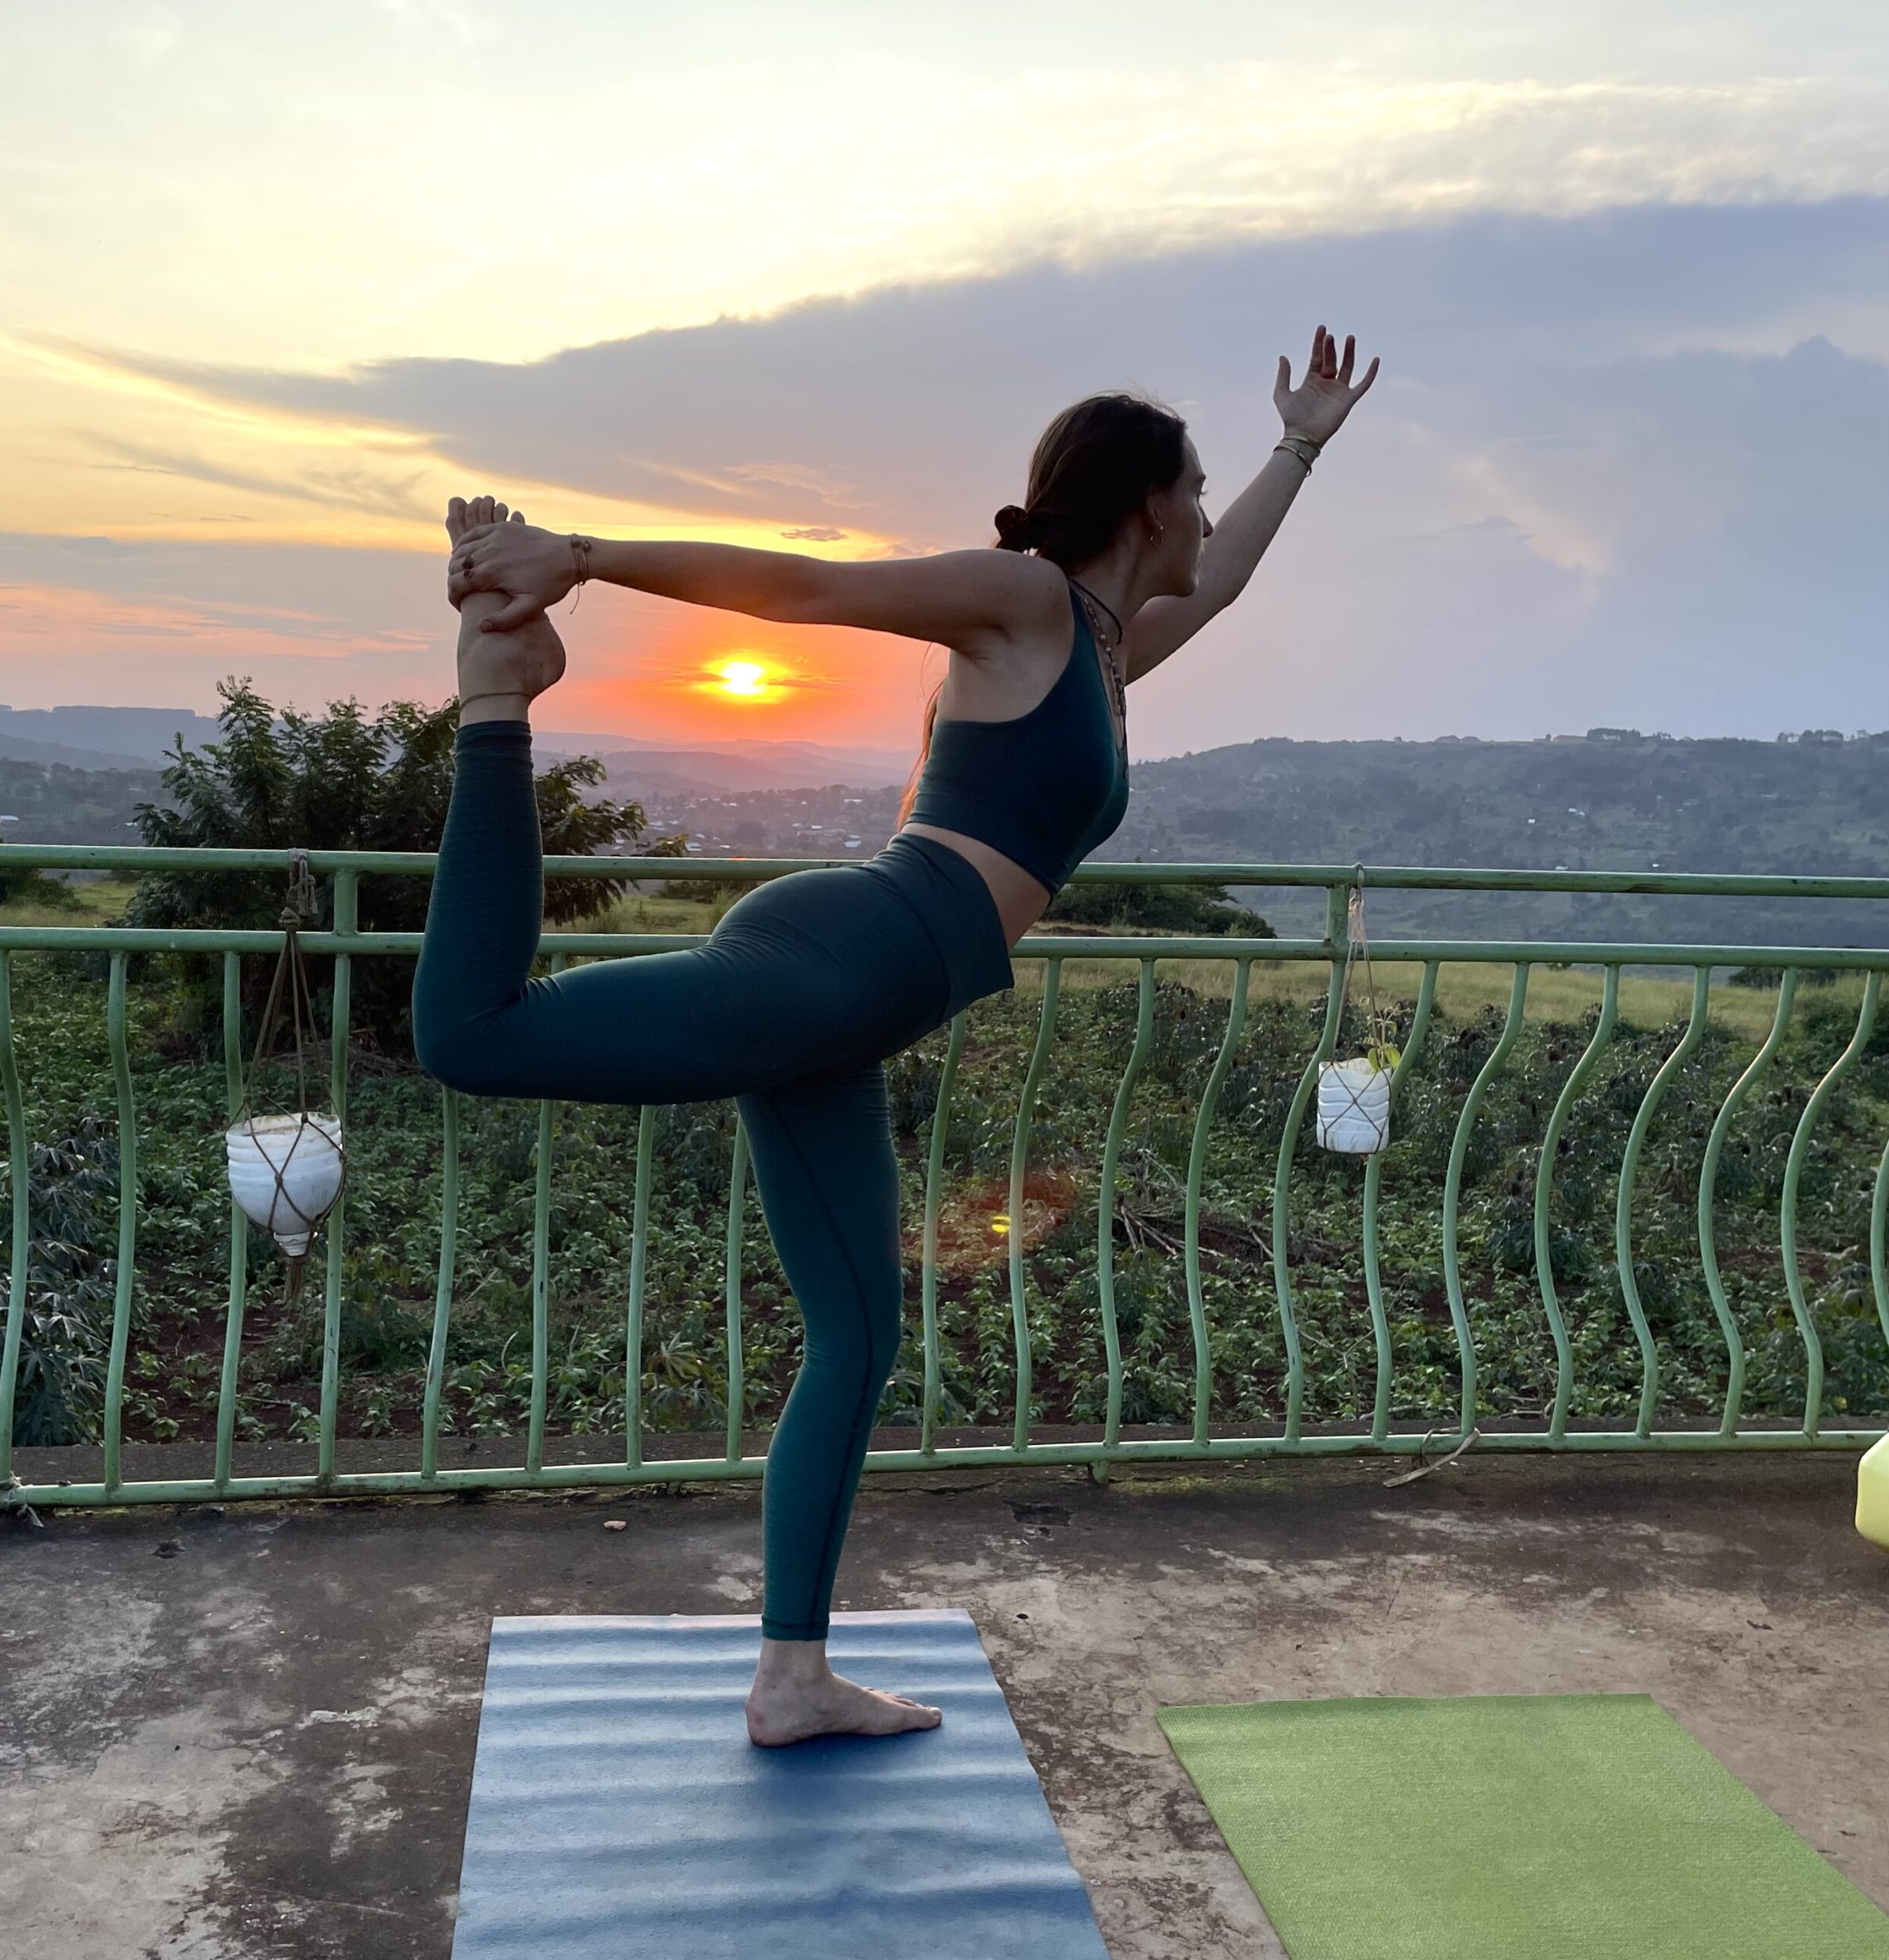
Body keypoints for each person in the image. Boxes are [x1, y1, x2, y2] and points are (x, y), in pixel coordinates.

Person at [419, 325, 1378, 1745]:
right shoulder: (1026, 603)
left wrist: (1301, 446)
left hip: (853, 1002)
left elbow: (1222, 582)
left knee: (858, 1338)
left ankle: (792, 1678)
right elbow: (812, 586)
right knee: (473, 1034)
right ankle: (499, 698)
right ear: (1143, 505)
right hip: (840, 960)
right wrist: (583, 553)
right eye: (1195, 484)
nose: (1202, 513)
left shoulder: (1108, 647)